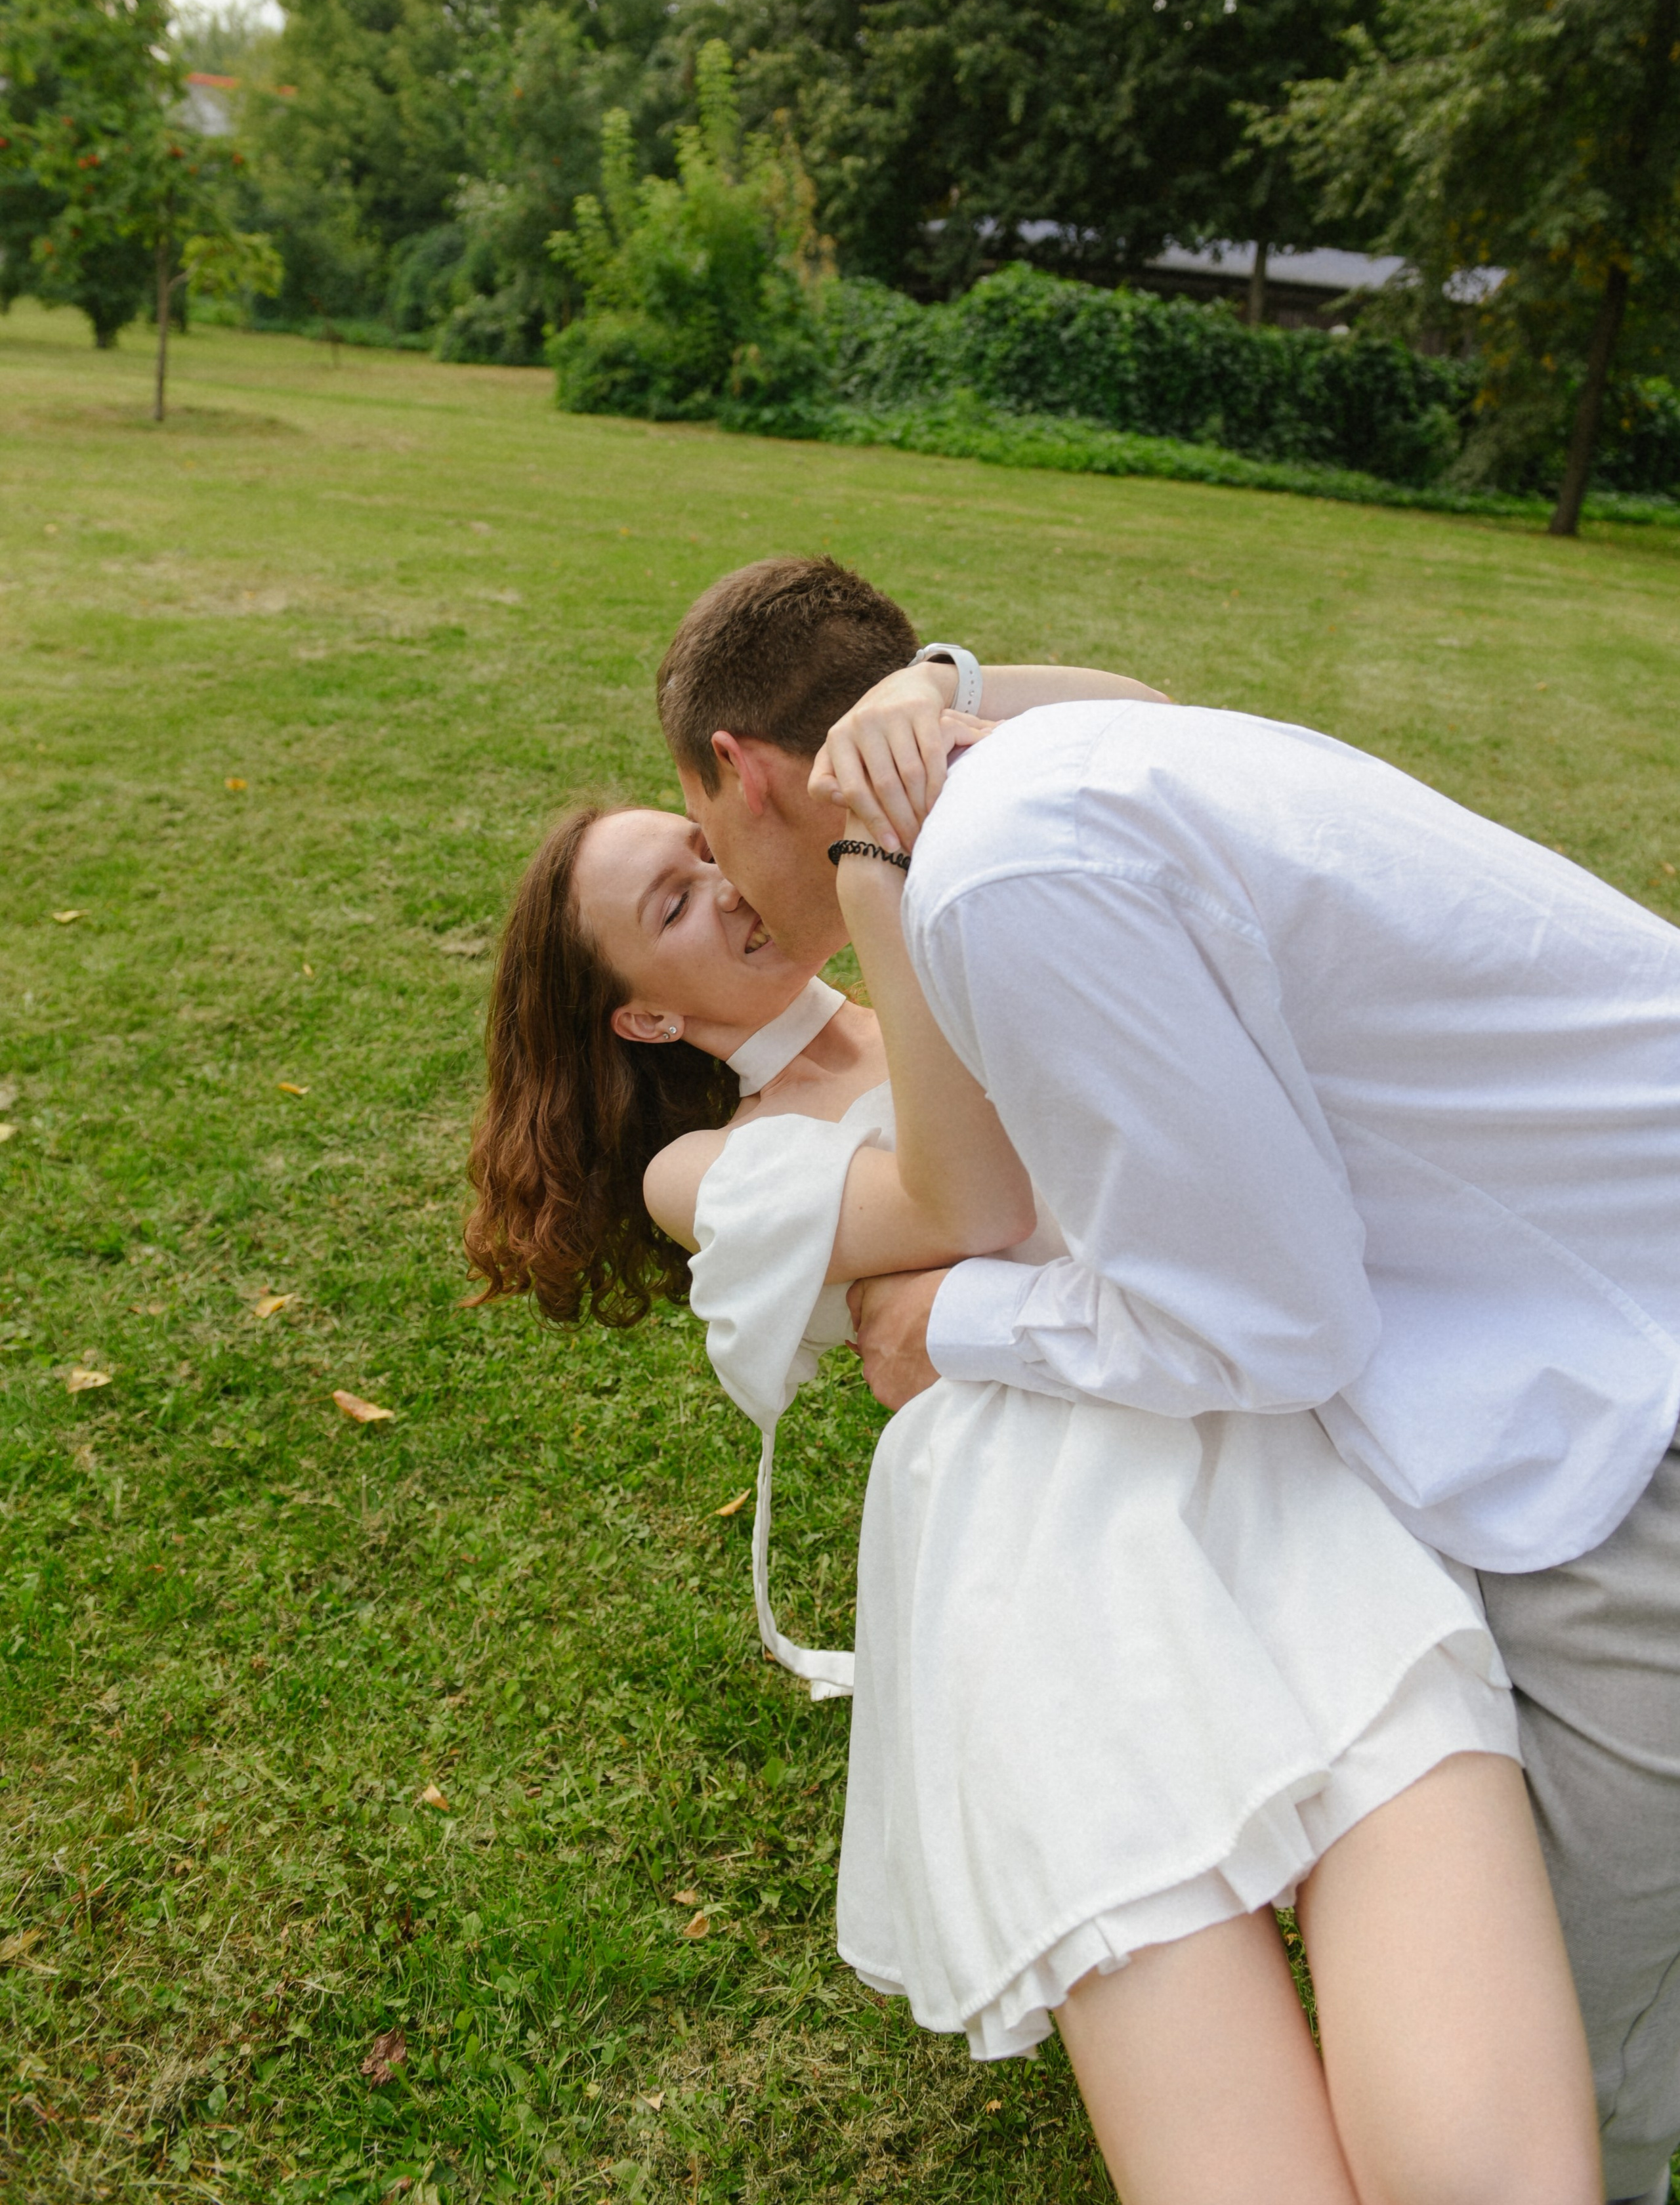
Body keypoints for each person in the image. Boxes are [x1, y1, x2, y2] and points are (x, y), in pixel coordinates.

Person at [465, 675, 1598, 2204]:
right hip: (1041, 1573)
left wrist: (949, 687)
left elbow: (1167, 722)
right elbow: (966, 1204)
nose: (721, 887)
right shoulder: (706, 1164)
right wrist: (875, 886)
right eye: (670, 904)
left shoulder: (986, 942)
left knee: (1489, 2157)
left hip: (1266, 1470)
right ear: (641, 1012)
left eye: (699, 845)